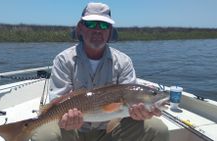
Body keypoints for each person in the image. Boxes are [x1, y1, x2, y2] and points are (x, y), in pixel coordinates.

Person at [32, 2, 169, 141]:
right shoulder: (63, 60)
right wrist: (65, 119)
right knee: (43, 136)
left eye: (104, 25)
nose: (97, 30)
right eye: (91, 24)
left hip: (111, 131)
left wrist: (140, 113)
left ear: (110, 31)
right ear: (80, 28)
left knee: (158, 129)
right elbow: (58, 101)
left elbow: (126, 106)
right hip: (73, 130)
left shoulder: (124, 61)